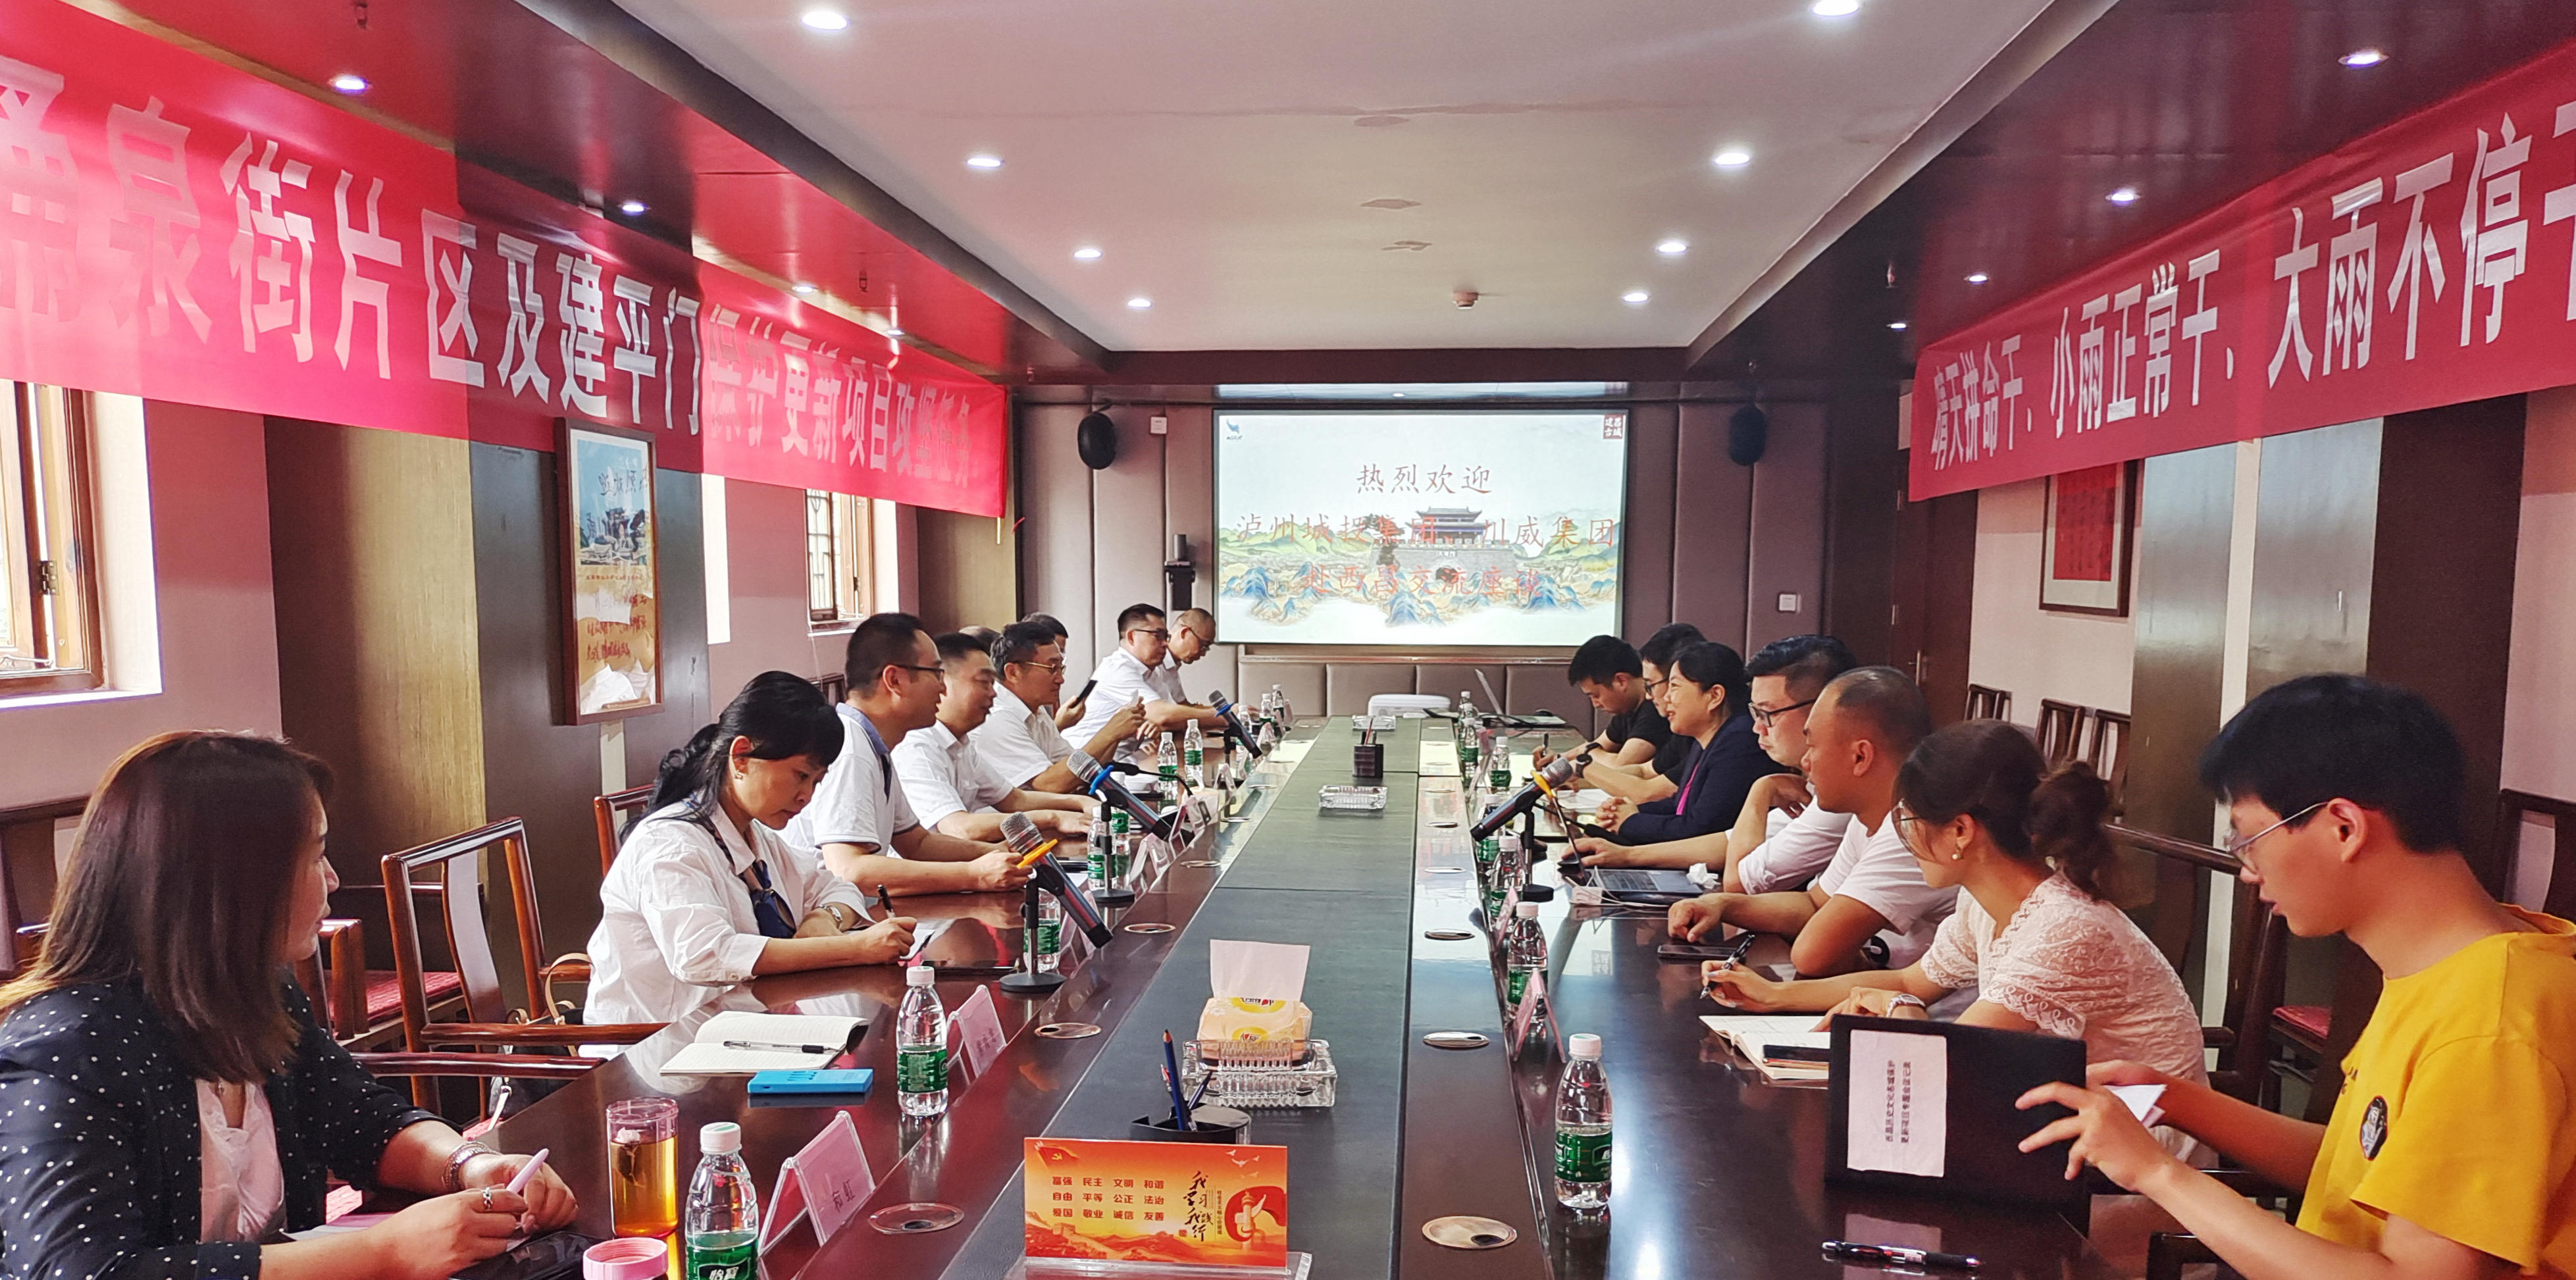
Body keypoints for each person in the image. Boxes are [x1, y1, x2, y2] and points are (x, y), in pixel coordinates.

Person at [2017, 675, 2576, 1280]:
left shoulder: (2489, 1022)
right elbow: (2354, 1167)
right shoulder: (2454, 968)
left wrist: (2156, 1172)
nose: (2248, 870)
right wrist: (2172, 1098)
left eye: (2249, 838)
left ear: (2344, 827)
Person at [0, 731, 577, 1279]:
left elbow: (359, 1118)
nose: (333, 878)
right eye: (316, 854)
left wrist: (468, 1164)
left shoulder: (255, 991)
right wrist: (384, 1252)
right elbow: (80, 1270)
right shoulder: (63, 1050)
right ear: (231, 882)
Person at [1703, 721, 2207, 1100]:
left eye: (1908, 821)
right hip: (2063, 1126)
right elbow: (1911, 981)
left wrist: (1900, 1010)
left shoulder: (2064, 930)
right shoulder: (1987, 901)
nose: (1905, 838)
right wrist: (1776, 995)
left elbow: (1944, 1058)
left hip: (2128, 1164)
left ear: (1961, 831)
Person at [588, 672, 919, 1025]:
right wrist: (856, 948)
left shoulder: (753, 833)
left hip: (741, 1028)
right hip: (659, 1046)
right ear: (741, 756)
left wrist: (824, 919)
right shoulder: (670, 844)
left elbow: (837, 886)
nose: (807, 796)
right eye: (801, 775)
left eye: (817, 781)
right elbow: (705, 956)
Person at [1666, 667, 1953, 975]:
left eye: (1813, 746)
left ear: (1861, 757)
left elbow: (1812, 956)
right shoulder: (1866, 817)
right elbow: (1814, 904)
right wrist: (1721, 905)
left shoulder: (1912, 831)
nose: (1805, 761)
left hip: (1919, 1005)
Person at [786, 613, 1031, 896]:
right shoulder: (850, 747)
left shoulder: (875, 744)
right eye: (936, 673)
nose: (943, 687)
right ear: (894, 680)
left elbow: (916, 843)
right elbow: (849, 870)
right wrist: (973, 875)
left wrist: (995, 852)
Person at [1575, 641, 1782, 856]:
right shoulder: (1707, 737)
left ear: (1714, 696)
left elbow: (1700, 830)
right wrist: (1628, 811)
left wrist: (1630, 822)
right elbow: (1681, 805)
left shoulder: (1740, 742)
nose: (1666, 698)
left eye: (1674, 687)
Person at [893, 631, 1098, 840]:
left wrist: (1079, 803)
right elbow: (962, 828)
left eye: (993, 683)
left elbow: (1015, 800)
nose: (993, 693)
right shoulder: (917, 747)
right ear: (942, 683)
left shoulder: (961, 744)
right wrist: (1054, 818)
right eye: (984, 682)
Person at [1725, 634, 1863, 892]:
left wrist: (1761, 792)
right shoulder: (1816, 785)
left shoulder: (1845, 792)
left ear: (1822, 709)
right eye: (1755, 713)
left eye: (1766, 713)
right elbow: (1730, 842)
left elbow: (1739, 884)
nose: (1757, 728)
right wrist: (1639, 854)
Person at [975, 619, 1149, 796]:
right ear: (1013, 672)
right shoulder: (998, 717)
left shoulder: (1036, 711)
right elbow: (1050, 785)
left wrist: (1117, 733)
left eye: (1061, 668)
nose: (1061, 679)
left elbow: (1080, 772)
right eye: (1052, 668)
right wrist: (1110, 732)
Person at [1069, 603, 1226, 751]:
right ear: (1132, 637)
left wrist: (1161, 724)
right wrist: (1225, 715)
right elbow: (1164, 715)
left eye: (1165, 637)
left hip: (1123, 757)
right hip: (1083, 760)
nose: (1165, 644)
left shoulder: (1151, 672)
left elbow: (1173, 717)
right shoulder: (1118, 669)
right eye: (1157, 636)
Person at [1019, 613, 1089, 730]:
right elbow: (1038, 739)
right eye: (1056, 650)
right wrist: (1060, 725)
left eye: (1062, 651)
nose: (1061, 680)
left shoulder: (1053, 680)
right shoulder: (1029, 695)